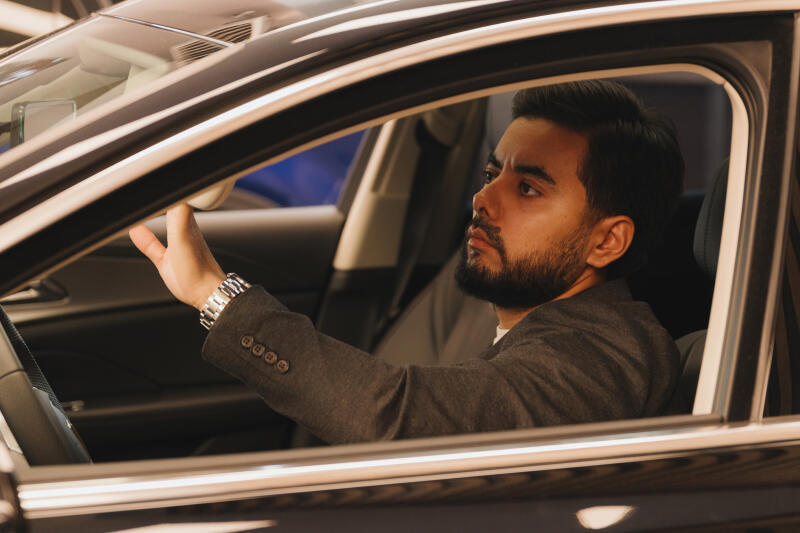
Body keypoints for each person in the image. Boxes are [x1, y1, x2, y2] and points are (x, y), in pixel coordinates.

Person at [129, 80, 684, 444]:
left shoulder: (599, 362)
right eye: (493, 174)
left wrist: (213, 293)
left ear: (607, 242)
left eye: (530, 189)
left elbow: (397, 416)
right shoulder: (554, 324)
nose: (483, 200)